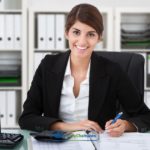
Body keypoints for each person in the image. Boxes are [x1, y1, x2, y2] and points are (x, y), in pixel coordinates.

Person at [19, 3, 150, 137]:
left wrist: (125, 125)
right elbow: (27, 118)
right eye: (76, 32)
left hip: (98, 143)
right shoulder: (48, 65)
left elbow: (145, 116)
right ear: (66, 32)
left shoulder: (112, 70)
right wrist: (68, 127)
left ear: (99, 37)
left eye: (91, 34)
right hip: (57, 143)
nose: (82, 42)